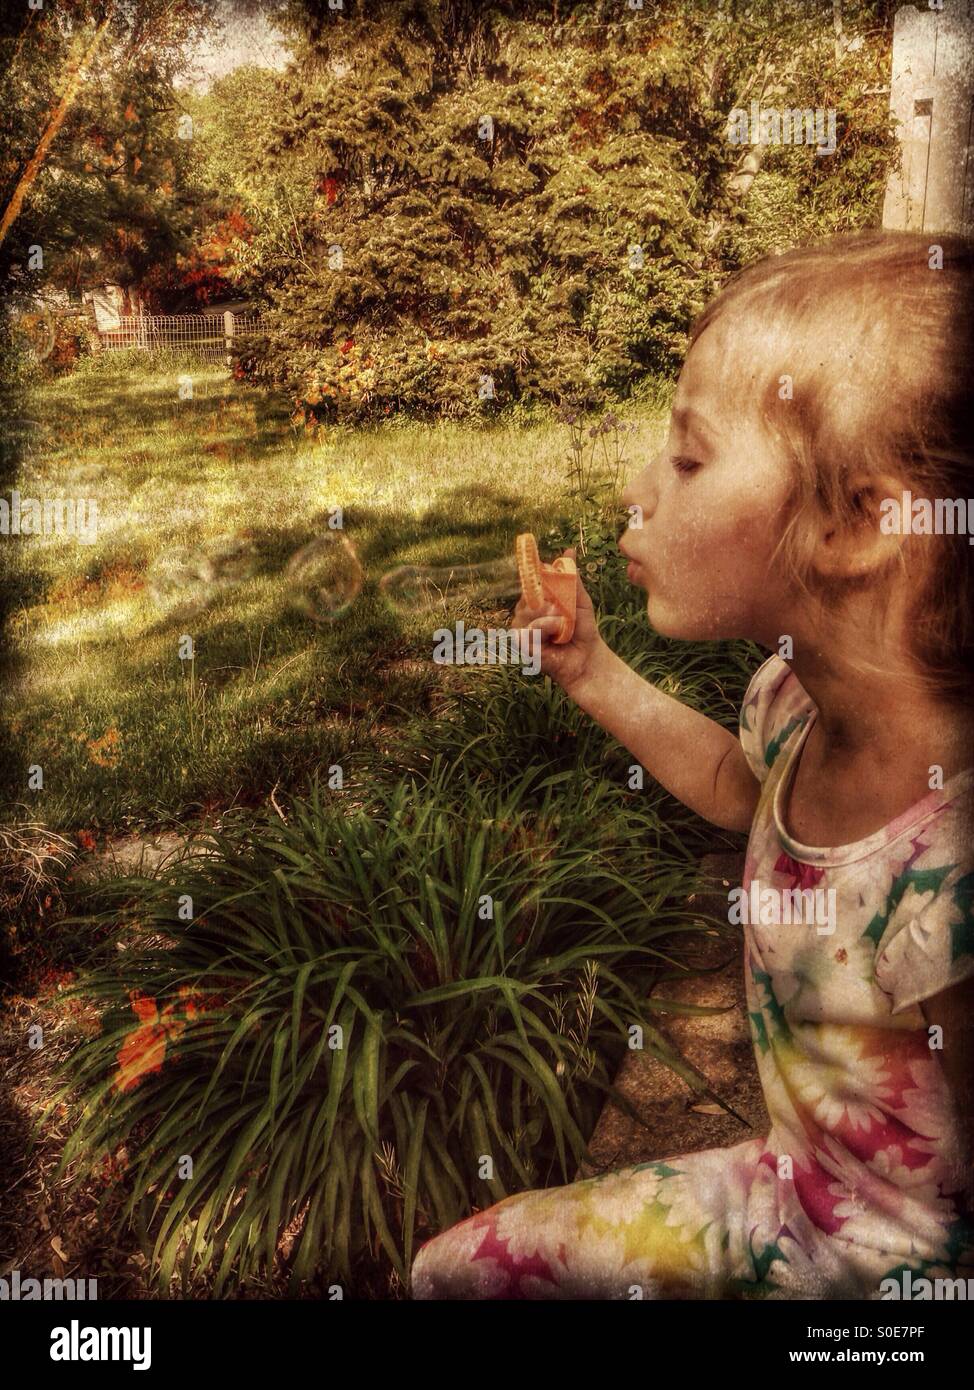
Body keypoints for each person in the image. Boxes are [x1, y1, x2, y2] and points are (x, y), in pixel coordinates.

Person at [410, 232, 974, 1300]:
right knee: (455, 1270)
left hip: (884, 1288)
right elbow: (734, 785)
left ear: (855, 522)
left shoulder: (947, 871)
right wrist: (591, 674)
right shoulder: (794, 699)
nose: (638, 489)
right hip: (787, 1192)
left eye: (685, 458)